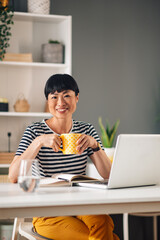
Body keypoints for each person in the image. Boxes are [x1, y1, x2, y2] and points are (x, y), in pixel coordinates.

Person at [9, 74, 119, 240]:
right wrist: (38, 142)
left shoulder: (86, 130)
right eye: (54, 97)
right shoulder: (34, 131)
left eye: (67, 95)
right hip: (46, 212)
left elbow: (108, 175)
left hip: (81, 206)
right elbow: (13, 176)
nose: (60, 103)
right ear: (48, 101)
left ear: (77, 97)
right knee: (103, 236)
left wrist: (95, 145)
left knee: (104, 222)